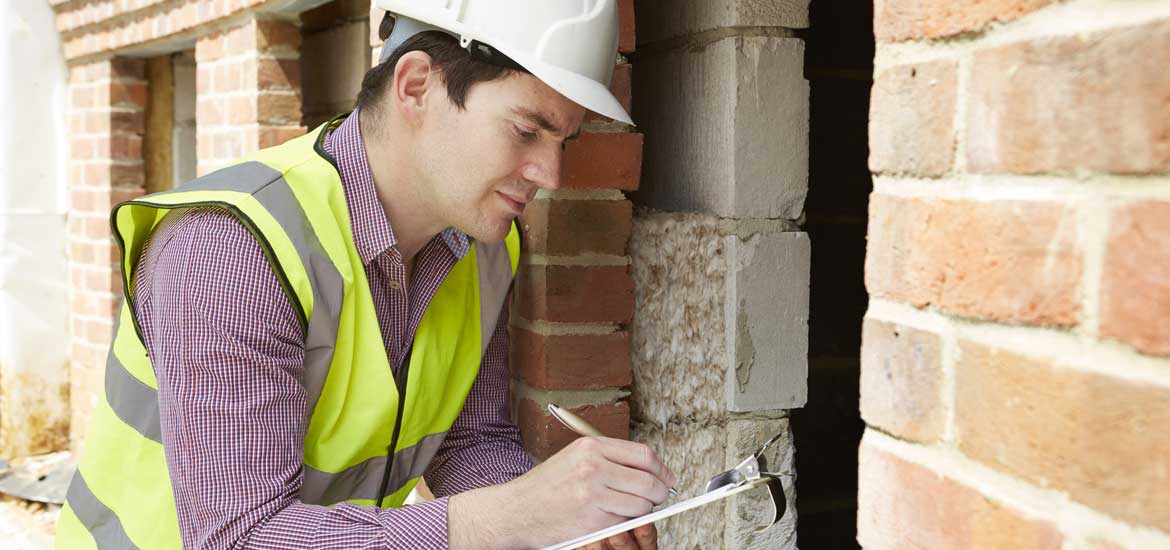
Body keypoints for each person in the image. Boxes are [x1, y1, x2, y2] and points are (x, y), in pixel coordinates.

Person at [56, 1, 675, 548]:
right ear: (414, 86)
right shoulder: (230, 252)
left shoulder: (485, 248)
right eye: (525, 130)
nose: (551, 173)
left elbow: (468, 444)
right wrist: (503, 519)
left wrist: (563, 520)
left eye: (562, 141)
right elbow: (238, 538)